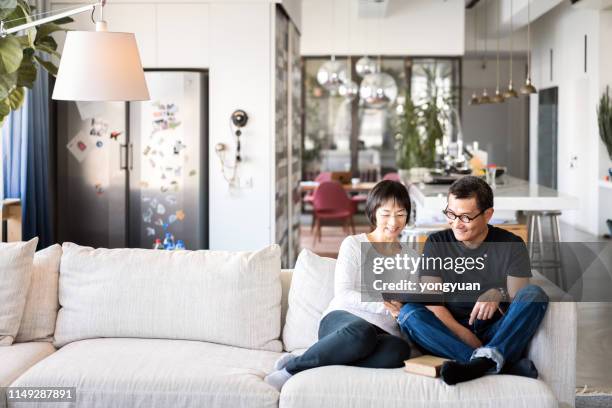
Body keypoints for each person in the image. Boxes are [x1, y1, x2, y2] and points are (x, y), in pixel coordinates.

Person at [385, 176, 549, 385]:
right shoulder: (437, 243)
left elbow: (520, 296)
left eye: (466, 217)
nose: (456, 224)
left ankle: (478, 365)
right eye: (451, 214)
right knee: (409, 315)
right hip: (449, 333)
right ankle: (497, 364)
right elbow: (433, 304)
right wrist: (465, 335)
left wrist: (498, 292)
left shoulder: (511, 244)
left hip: (495, 332)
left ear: (488, 214)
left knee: (535, 295)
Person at [264, 180, 413, 391]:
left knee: (398, 352)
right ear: (373, 212)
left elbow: (408, 301)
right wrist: (385, 305)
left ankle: (318, 356)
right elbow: (344, 293)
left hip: (383, 331)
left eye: (400, 213)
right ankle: (293, 368)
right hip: (343, 322)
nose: (393, 221)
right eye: (386, 213)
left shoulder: (410, 256)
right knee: (362, 333)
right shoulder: (353, 244)